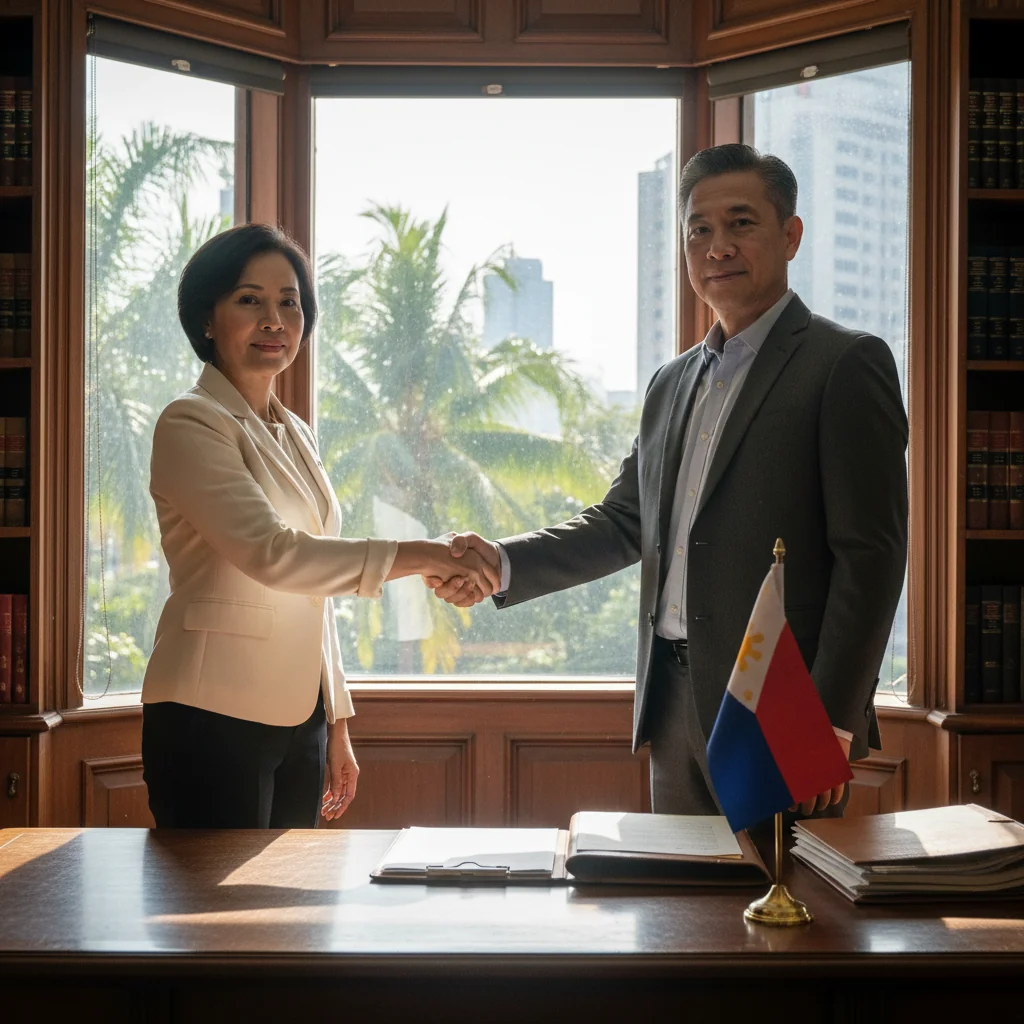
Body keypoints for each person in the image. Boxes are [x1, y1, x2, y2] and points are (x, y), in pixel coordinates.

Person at [430, 144, 908, 820]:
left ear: (790, 235)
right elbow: (626, 522)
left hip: (782, 710)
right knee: (680, 917)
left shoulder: (845, 364)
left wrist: (829, 722)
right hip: (671, 703)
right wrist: (502, 562)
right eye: (699, 229)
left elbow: (874, 556)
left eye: (741, 223)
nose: (718, 247)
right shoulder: (670, 383)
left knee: (790, 913)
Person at [141, 223, 498, 830]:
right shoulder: (189, 422)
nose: (275, 320)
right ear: (207, 318)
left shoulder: (296, 432)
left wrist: (337, 723)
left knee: (287, 923)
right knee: (210, 920)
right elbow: (277, 555)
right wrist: (427, 554)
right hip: (210, 714)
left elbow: (316, 594)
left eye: (290, 302)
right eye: (250, 300)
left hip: (299, 714)